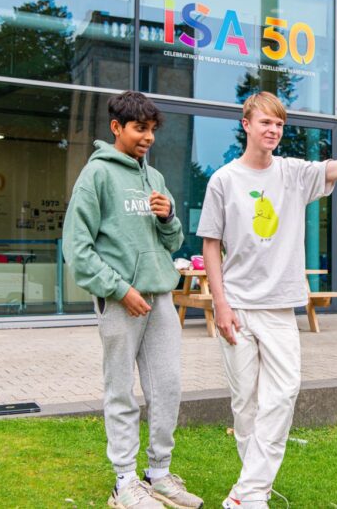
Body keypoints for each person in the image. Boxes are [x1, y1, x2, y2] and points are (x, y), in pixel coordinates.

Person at [197, 78, 337, 509]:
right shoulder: (223, 180)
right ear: (247, 125)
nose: (273, 130)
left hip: (279, 309)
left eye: (278, 124)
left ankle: (247, 491)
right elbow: (211, 245)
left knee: (284, 392)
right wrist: (220, 304)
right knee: (245, 404)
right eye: (265, 122)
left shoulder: (293, 173)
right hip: (236, 306)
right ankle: (254, 495)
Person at [63, 91, 203, 509]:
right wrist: (121, 290)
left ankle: (158, 474)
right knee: (121, 390)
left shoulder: (155, 179)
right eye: (140, 129)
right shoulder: (97, 176)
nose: (148, 138)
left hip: (160, 295)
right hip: (119, 299)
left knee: (167, 386)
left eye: (152, 130)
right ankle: (124, 482)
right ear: (117, 127)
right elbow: (77, 247)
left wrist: (168, 217)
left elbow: (173, 241)